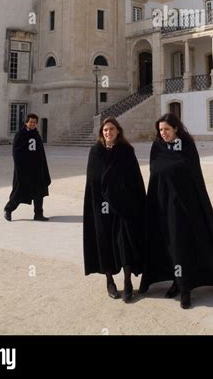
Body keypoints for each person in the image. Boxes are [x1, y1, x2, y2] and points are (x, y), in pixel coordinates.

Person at [139, 113, 213, 309]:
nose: (163, 133)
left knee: (182, 245)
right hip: (162, 206)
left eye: (166, 129)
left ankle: (185, 288)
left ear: (176, 129)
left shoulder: (187, 148)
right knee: (168, 245)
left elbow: (194, 178)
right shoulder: (157, 148)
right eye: (160, 130)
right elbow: (155, 174)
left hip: (184, 206)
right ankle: (176, 280)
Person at [83, 117, 146, 302]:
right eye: (105, 130)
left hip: (123, 206)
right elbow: (92, 181)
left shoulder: (126, 152)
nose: (108, 133)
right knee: (104, 244)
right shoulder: (95, 152)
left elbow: (134, 180)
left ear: (118, 131)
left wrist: (128, 201)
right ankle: (109, 280)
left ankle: (127, 281)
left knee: (124, 243)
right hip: (102, 206)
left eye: (111, 129)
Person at [4, 113, 51, 222]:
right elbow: (16, 154)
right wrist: (20, 169)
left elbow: (41, 153)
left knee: (39, 192)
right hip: (24, 170)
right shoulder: (20, 135)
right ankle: (8, 210)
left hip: (37, 170)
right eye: (31, 122)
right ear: (26, 122)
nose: (33, 124)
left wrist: (43, 168)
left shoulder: (36, 135)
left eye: (35, 122)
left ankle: (38, 214)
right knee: (19, 192)